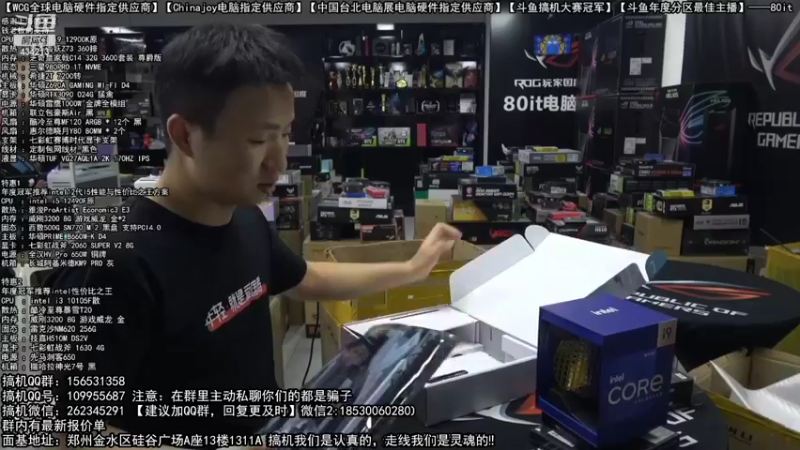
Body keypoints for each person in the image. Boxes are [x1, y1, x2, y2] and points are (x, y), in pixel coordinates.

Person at [47, 23, 462, 444]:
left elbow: (304, 278)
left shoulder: (242, 215)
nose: (278, 162)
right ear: (185, 135)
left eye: (285, 134)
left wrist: (414, 268)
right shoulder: (110, 264)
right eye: (257, 140)